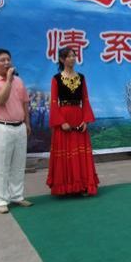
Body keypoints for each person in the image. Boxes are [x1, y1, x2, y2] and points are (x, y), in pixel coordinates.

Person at [0, 48, 33, 214]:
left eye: (8, 59)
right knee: (1, 165)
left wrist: (27, 123)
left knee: (18, 164)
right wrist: (9, 81)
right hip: (1, 127)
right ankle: (0, 199)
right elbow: (0, 100)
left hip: (19, 126)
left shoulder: (19, 81)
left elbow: (24, 102)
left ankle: (17, 195)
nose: (6, 63)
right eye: (2, 60)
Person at [47, 48, 99, 196]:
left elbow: (85, 100)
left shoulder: (81, 78)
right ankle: (65, 187)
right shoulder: (56, 79)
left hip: (78, 116)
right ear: (62, 60)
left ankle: (83, 185)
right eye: (69, 56)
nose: (72, 58)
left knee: (79, 153)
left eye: (73, 56)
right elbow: (53, 102)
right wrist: (61, 122)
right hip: (63, 117)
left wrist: (86, 120)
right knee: (65, 153)